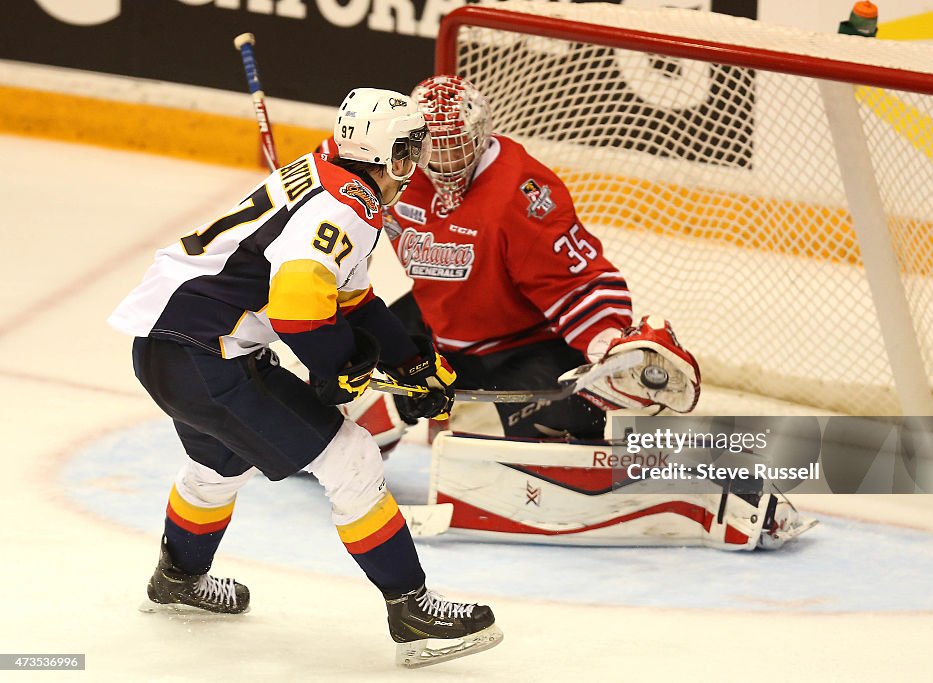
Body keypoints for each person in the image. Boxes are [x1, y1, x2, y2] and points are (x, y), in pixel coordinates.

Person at [108, 88, 502, 668]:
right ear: (388, 154)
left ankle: (178, 577)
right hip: (206, 354)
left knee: (219, 463)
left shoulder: (335, 180)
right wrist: (337, 369)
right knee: (351, 457)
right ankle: (412, 610)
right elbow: (296, 307)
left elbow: (354, 298)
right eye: (409, 149)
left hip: (167, 349)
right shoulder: (345, 206)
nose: (415, 162)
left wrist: (412, 363)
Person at [317, 75, 701, 448]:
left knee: (551, 445)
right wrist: (306, 195)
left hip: (521, 344)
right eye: (436, 147)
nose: (447, 162)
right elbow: (334, 159)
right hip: (437, 322)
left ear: (481, 137)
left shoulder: (520, 191)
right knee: (339, 408)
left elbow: (575, 281)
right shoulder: (395, 169)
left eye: (459, 146)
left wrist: (605, 344)